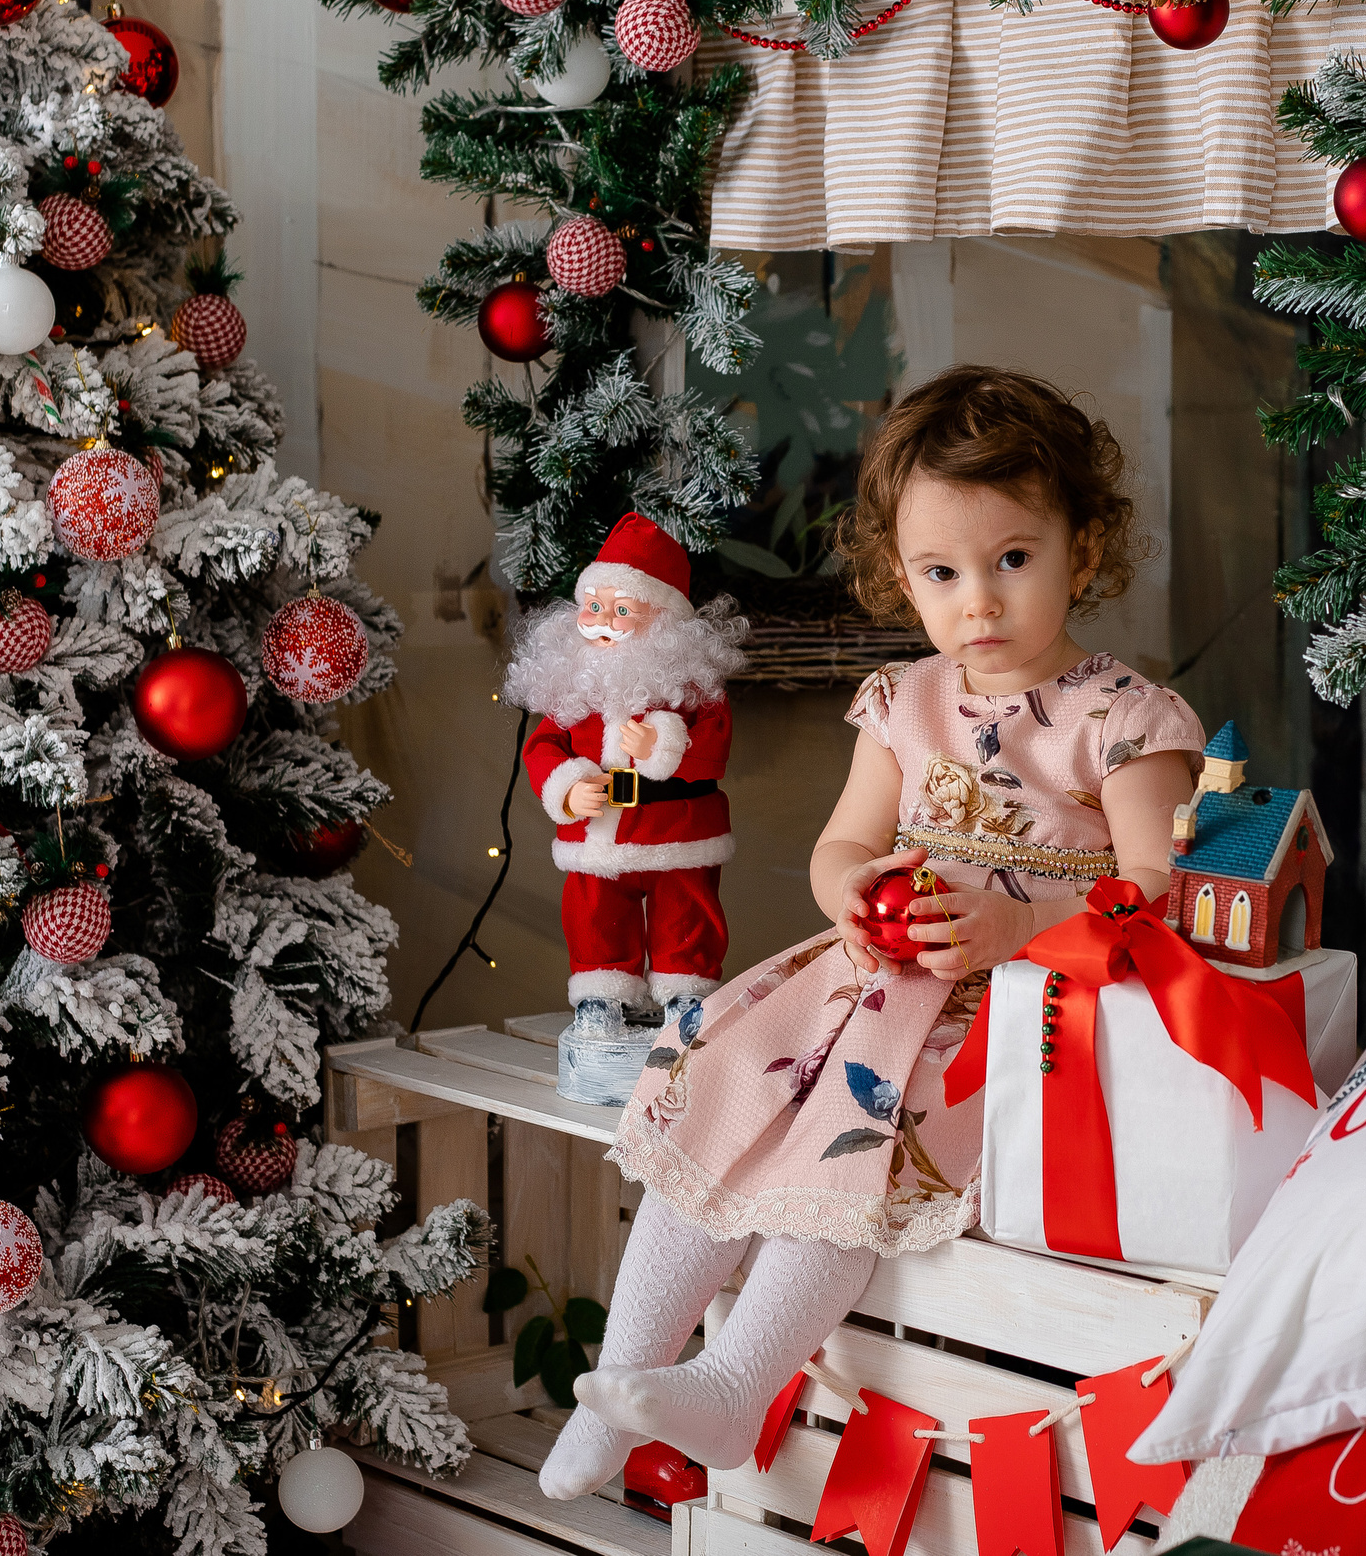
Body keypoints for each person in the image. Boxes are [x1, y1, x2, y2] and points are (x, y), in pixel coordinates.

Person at [540, 367, 1205, 1498]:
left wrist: (1016, 922)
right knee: (722, 1088)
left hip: (1023, 999)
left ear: (1082, 551)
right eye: (942, 573)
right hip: (866, 976)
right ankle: (623, 1381)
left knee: (855, 1137)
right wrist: (848, 893)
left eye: (1013, 560)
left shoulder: (1125, 718)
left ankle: (738, 1379)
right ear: (902, 576)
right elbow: (841, 847)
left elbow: (1162, 884)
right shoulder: (899, 702)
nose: (978, 603)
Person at [507, 513, 749, 1053]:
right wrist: (567, 787)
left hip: (676, 831)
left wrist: (668, 742)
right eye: (594, 607)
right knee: (595, 913)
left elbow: (715, 745)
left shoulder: (691, 686)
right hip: (599, 836)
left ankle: (685, 997)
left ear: (665, 620)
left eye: (622, 610)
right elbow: (543, 747)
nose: (603, 623)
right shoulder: (572, 687)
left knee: (685, 912)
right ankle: (601, 996)